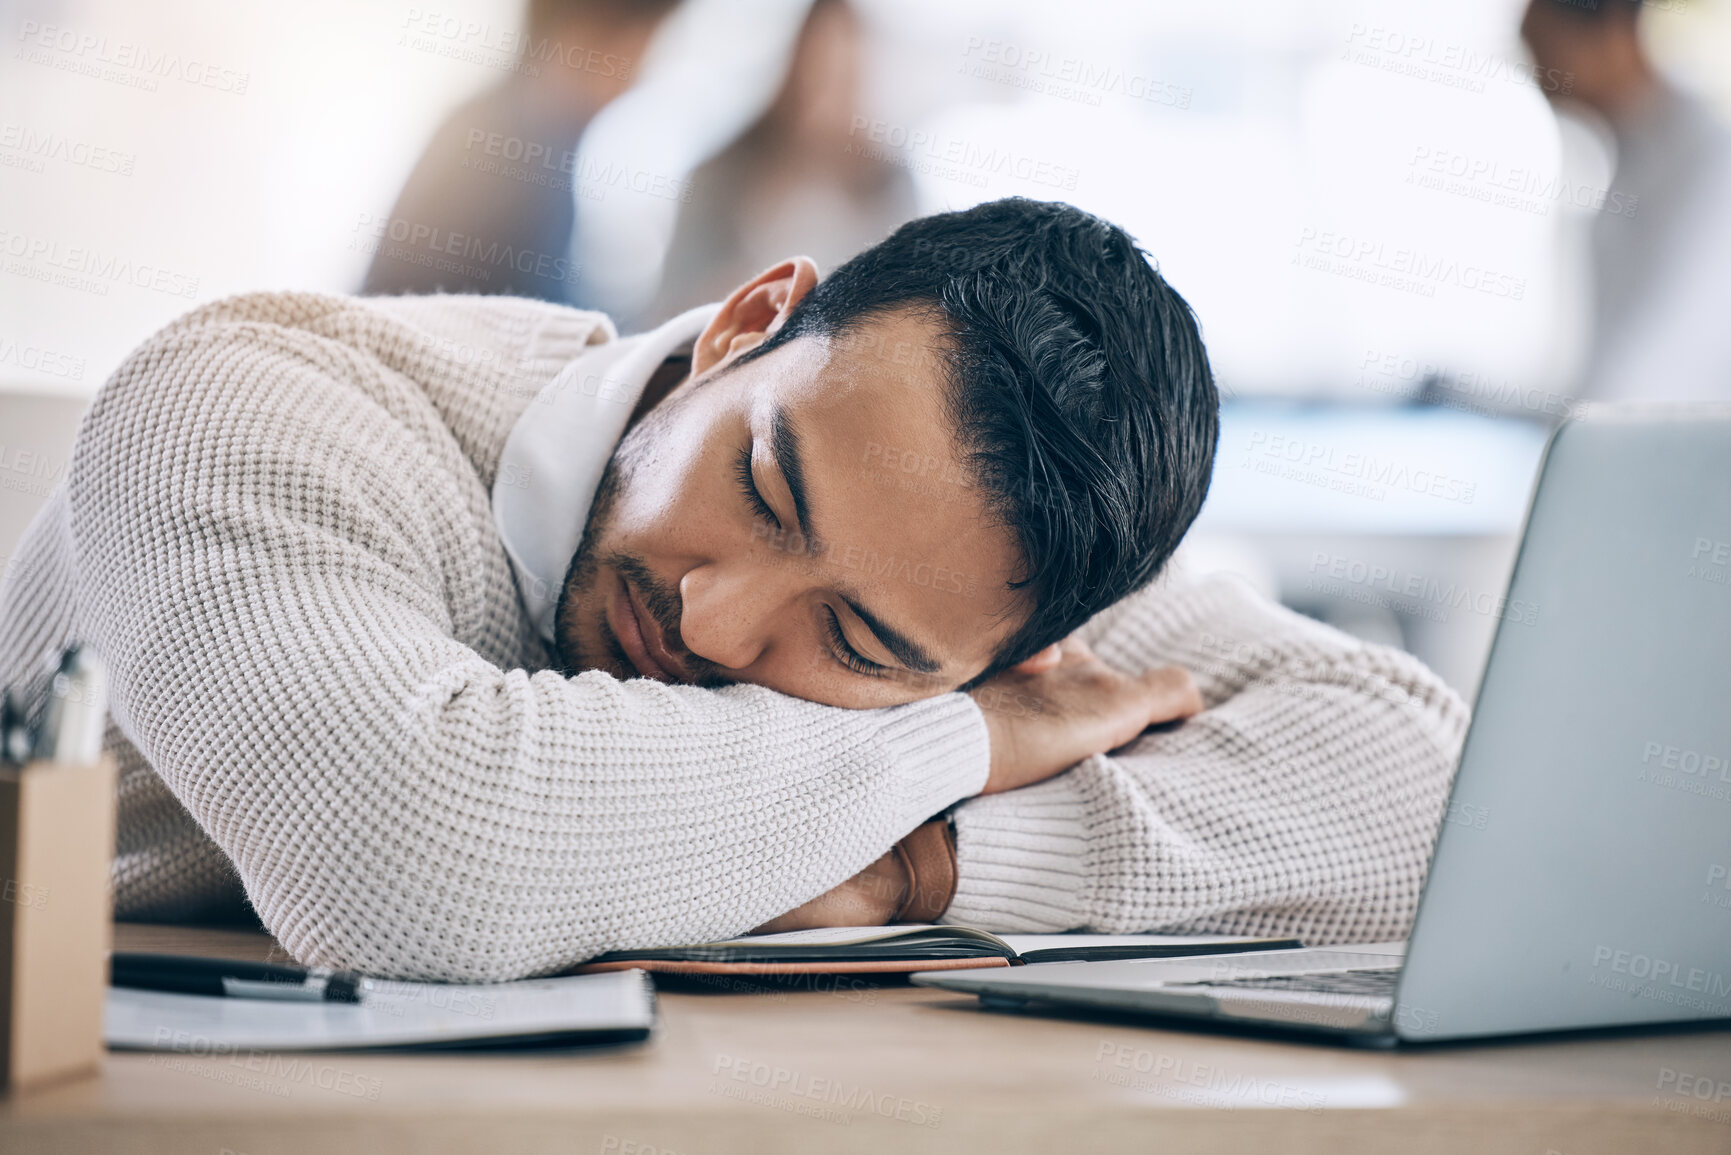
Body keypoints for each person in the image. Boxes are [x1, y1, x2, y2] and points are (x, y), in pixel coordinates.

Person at [0, 200, 1465, 981]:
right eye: (763, 487)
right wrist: (952, 740)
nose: (711, 619)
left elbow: (1426, 785)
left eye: (857, 640)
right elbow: (404, 854)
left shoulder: (976, 563)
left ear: (1022, 647)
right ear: (748, 325)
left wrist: (915, 868)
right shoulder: (246, 397)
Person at [361, 0, 679, 302]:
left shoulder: (506, 120)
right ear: (595, 37)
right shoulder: (522, 142)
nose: (640, 77)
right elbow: (538, 317)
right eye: (645, 47)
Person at [641, 0, 917, 327]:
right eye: (821, 74)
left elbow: (906, 300)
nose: (833, 96)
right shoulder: (719, 175)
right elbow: (669, 311)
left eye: (848, 77)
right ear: (790, 68)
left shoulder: (890, 181)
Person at [1521, 0, 1731, 403]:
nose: (1538, 76)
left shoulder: (1713, 162)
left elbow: (1640, 381)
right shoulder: (1628, 162)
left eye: (1544, 49)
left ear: (1615, 33)